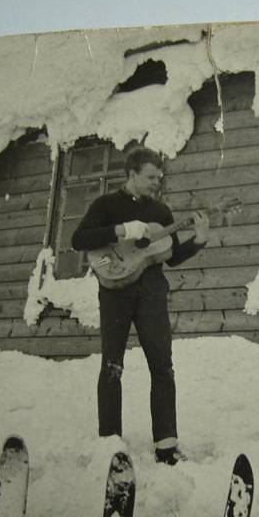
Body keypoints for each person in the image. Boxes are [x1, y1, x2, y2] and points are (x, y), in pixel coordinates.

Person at [71, 146, 209, 465]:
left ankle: (166, 445)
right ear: (131, 174)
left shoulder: (161, 212)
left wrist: (198, 240)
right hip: (115, 291)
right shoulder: (106, 205)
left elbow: (170, 256)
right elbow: (79, 240)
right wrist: (119, 230)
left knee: (162, 365)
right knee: (112, 365)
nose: (155, 184)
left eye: (158, 178)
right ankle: (109, 444)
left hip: (151, 293)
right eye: (149, 177)